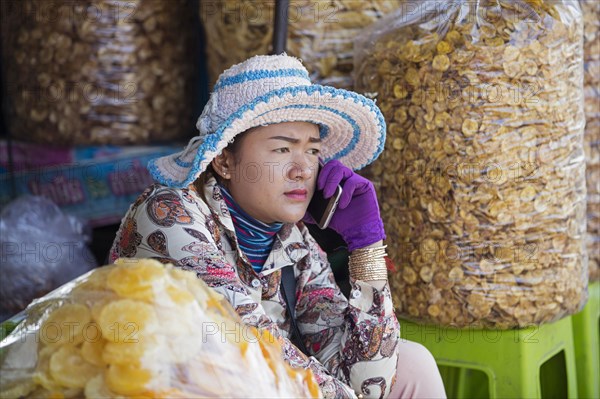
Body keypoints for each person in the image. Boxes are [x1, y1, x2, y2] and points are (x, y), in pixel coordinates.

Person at [110, 54, 446, 399]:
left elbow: (367, 381)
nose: (302, 169)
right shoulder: (169, 214)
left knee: (412, 363)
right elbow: (255, 353)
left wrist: (366, 245)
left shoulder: (293, 240)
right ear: (225, 160)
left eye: (313, 151)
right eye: (283, 148)